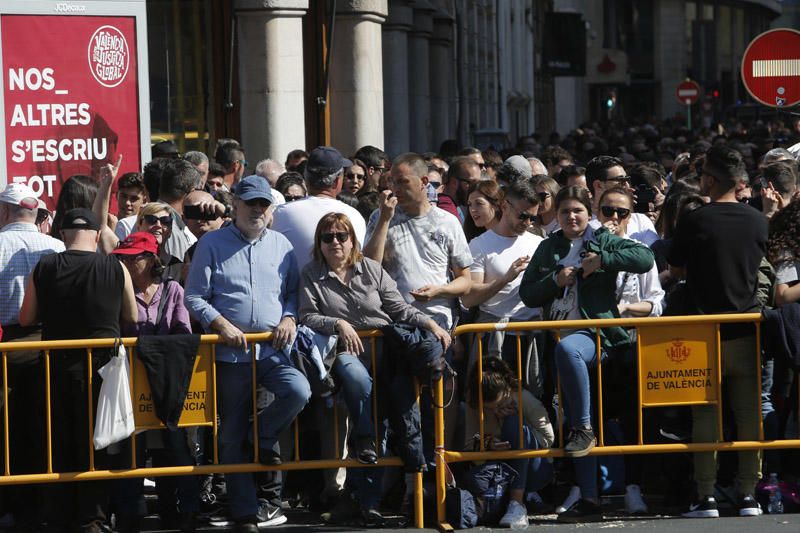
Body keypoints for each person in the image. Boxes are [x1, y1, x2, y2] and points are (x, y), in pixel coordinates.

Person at [299, 213, 450, 525]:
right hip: (344, 352)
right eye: (327, 237)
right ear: (319, 244)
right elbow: (307, 315)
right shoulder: (311, 273)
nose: (335, 242)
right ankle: (364, 442)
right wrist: (337, 323)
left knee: (385, 428)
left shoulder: (371, 269)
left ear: (353, 240)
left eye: (342, 236)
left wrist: (431, 322)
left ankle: (369, 504)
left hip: (386, 353)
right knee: (359, 387)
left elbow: (398, 308)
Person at [519, 186, 654, 522]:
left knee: (591, 415)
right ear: (557, 214)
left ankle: (588, 437)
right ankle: (589, 496)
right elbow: (528, 293)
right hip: (561, 339)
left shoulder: (601, 238)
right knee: (583, 413)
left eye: (578, 210)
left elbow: (644, 259)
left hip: (597, 336)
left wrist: (602, 259)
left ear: (589, 211)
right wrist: (555, 279)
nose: (572, 217)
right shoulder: (548, 246)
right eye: (565, 212)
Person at [184, 176, 310, 531]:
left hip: (271, 351)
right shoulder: (211, 243)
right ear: (235, 205)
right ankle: (244, 512)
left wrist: (288, 317)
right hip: (228, 356)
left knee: (299, 390)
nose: (257, 210)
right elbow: (193, 296)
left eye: (263, 204)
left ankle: (262, 436)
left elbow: (291, 293)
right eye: (251, 203)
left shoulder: (282, 245)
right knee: (229, 435)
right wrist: (221, 324)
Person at [19, 208, 137, 533]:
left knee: (59, 441)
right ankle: (93, 517)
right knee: (99, 442)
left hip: (55, 366)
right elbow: (132, 314)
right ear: (97, 236)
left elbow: (26, 318)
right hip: (104, 368)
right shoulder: (116, 267)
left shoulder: (45, 266)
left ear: (62, 235)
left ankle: (60, 514)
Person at [668, 146, 768, 519]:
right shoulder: (758, 221)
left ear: (709, 180)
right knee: (748, 416)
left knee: (705, 417)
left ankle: (705, 495)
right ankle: (748, 495)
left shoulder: (696, 220)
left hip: (702, 332)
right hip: (747, 329)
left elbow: (676, 268)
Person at [107, 232, 197, 532]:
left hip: (168, 380)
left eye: (133, 257)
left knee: (175, 447)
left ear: (151, 260)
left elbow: (184, 332)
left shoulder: (173, 290)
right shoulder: (116, 292)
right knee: (131, 449)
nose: (126, 263)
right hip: (130, 382)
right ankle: (130, 514)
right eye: (123, 258)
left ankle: (184, 510)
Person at [595, 186, 665, 515]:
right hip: (593, 343)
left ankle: (633, 486)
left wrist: (627, 310)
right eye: (607, 210)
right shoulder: (588, 246)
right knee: (590, 418)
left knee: (633, 419)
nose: (614, 218)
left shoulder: (639, 251)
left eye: (621, 213)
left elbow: (656, 301)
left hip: (630, 343)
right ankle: (588, 488)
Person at [463, 178, 544, 394]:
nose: (527, 222)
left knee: (532, 405)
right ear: (505, 206)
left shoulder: (538, 243)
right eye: (523, 216)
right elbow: (469, 298)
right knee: (491, 404)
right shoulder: (480, 244)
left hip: (532, 335)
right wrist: (505, 279)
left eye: (532, 218)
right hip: (495, 336)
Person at [463, 358, 554, 529]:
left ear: (507, 391)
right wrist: (489, 443)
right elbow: (468, 443)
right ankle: (510, 501)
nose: (496, 411)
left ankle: (517, 504)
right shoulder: (473, 403)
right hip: (495, 469)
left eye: (499, 405)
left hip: (535, 467)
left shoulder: (523, 398)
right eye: (489, 409)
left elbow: (549, 439)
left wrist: (519, 421)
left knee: (514, 422)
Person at [271, 146, 366, 273]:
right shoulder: (354, 216)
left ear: (306, 179)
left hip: (294, 291)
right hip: (342, 290)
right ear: (338, 181)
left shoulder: (280, 213)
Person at [585, 155, 658, 246]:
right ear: (599, 185)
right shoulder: (582, 223)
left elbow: (653, 257)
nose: (627, 185)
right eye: (621, 180)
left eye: (627, 179)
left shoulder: (641, 220)